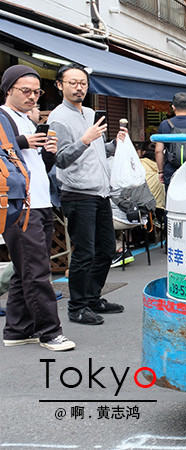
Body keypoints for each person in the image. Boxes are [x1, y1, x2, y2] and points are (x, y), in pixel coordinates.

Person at [0, 65, 74, 350]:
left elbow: (33, 166)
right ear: (9, 89)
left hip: (39, 202)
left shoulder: (27, 120)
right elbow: (10, 150)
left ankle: (17, 330)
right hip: (22, 206)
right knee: (37, 271)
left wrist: (48, 154)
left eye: (36, 92)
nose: (33, 96)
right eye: (25, 91)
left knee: (25, 270)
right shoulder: (4, 117)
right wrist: (22, 142)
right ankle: (50, 332)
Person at [48, 63, 126, 325]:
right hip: (77, 193)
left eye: (82, 82)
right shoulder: (57, 118)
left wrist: (115, 144)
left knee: (106, 249)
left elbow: (96, 149)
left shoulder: (91, 112)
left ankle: (92, 299)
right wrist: (84, 139)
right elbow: (59, 159)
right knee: (84, 253)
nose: (78, 87)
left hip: (100, 192)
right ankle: (77, 307)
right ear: (60, 85)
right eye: (72, 82)